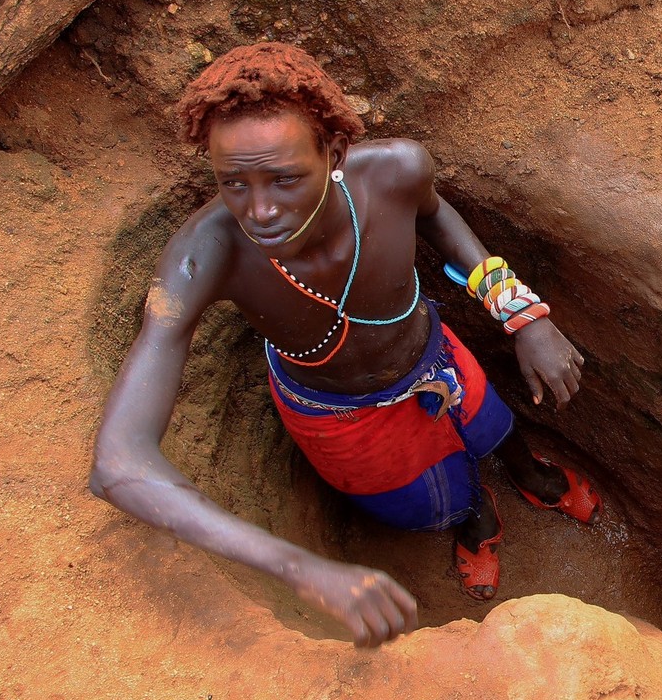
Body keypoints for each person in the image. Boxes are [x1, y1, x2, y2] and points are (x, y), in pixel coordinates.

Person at [90, 42, 600, 647]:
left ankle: (531, 476)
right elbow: (117, 464)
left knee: (491, 422)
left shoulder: (395, 173)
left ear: (333, 152)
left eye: (284, 179)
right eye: (233, 184)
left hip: (432, 355)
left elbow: (436, 217)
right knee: (429, 498)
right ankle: (475, 520)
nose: (260, 211)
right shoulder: (207, 255)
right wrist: (299, 568)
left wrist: (520, 313)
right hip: (339, 415)